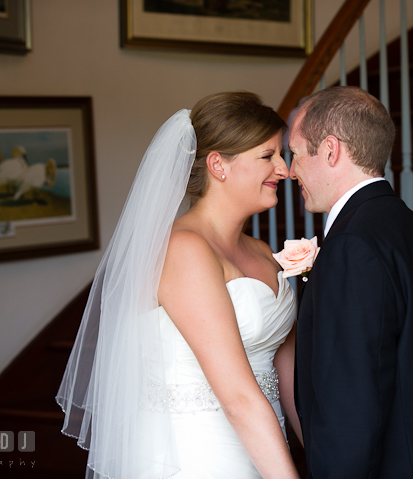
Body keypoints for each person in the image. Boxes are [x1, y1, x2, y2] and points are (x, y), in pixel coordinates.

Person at [56, 92, 301, 479]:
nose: (284, 170)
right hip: (197, 455)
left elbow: (288, 379)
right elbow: (237, 397)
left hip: (265, 445)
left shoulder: (263, 251)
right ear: (219, 165)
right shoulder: (184, 251)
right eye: (267, 156)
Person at [287, 86, 413, 478]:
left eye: (296, 153)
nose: (290, 170)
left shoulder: (352, 246)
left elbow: (349, 410)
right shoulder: (408, 227)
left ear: (330, 150)